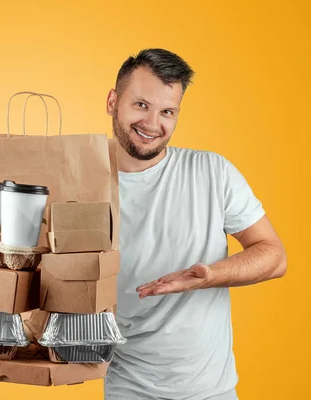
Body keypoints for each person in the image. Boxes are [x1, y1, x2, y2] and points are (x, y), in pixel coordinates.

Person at [104, 48, 287, 400]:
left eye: (167, 111)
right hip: (128, 387)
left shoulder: (212, 173)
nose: (153, 123)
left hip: (210, 391)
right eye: (140, 105)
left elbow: (274, 256)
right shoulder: (80, 180)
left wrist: (210, 276)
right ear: (113, 101)